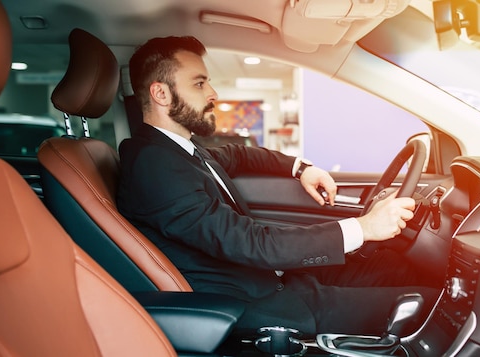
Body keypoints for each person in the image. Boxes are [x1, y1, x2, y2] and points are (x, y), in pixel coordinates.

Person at [117, 35, 438, 338]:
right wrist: (364, 228)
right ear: (161, 94)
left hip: (272, 279)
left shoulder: (183, 150)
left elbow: (239, 155)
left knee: (394, 267)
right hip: (256, 304)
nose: (213, 93)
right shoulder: (153, 164)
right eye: (200, 83)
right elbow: (249, 243)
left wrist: (301, 168)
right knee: (434, 305)